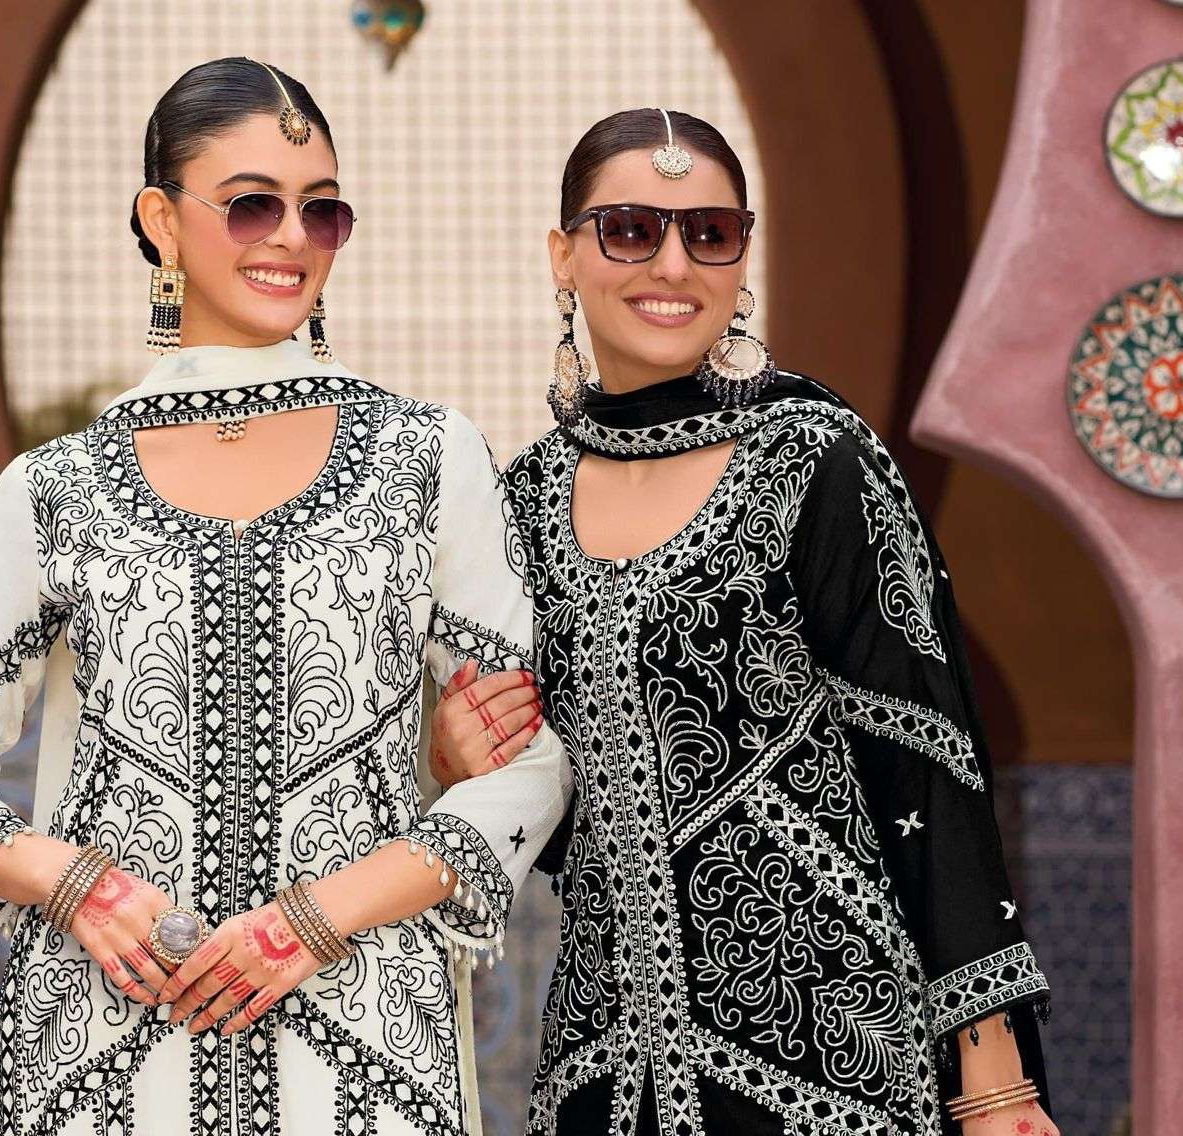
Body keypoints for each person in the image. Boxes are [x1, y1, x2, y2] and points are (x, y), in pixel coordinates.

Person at [0, 57, 569, 1136]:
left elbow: (527, 762)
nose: (291, 237)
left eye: (321, 210)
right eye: (252, 204)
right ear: (161, 220)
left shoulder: (428, 460)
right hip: (106, 1047)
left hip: (366, 1050)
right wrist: (77, 883)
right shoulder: (56, 489)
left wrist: (312, 919)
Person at [429, 108, 1055, 1136]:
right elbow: (560, 816)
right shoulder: (524, 503)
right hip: (605, 1067)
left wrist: (993, 1083)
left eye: (709, 233)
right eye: (631, 229)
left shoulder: (815, 463)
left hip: (837, 1064)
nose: (672, 264)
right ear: (564, 255)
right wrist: (461, 761)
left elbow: (925, 766)